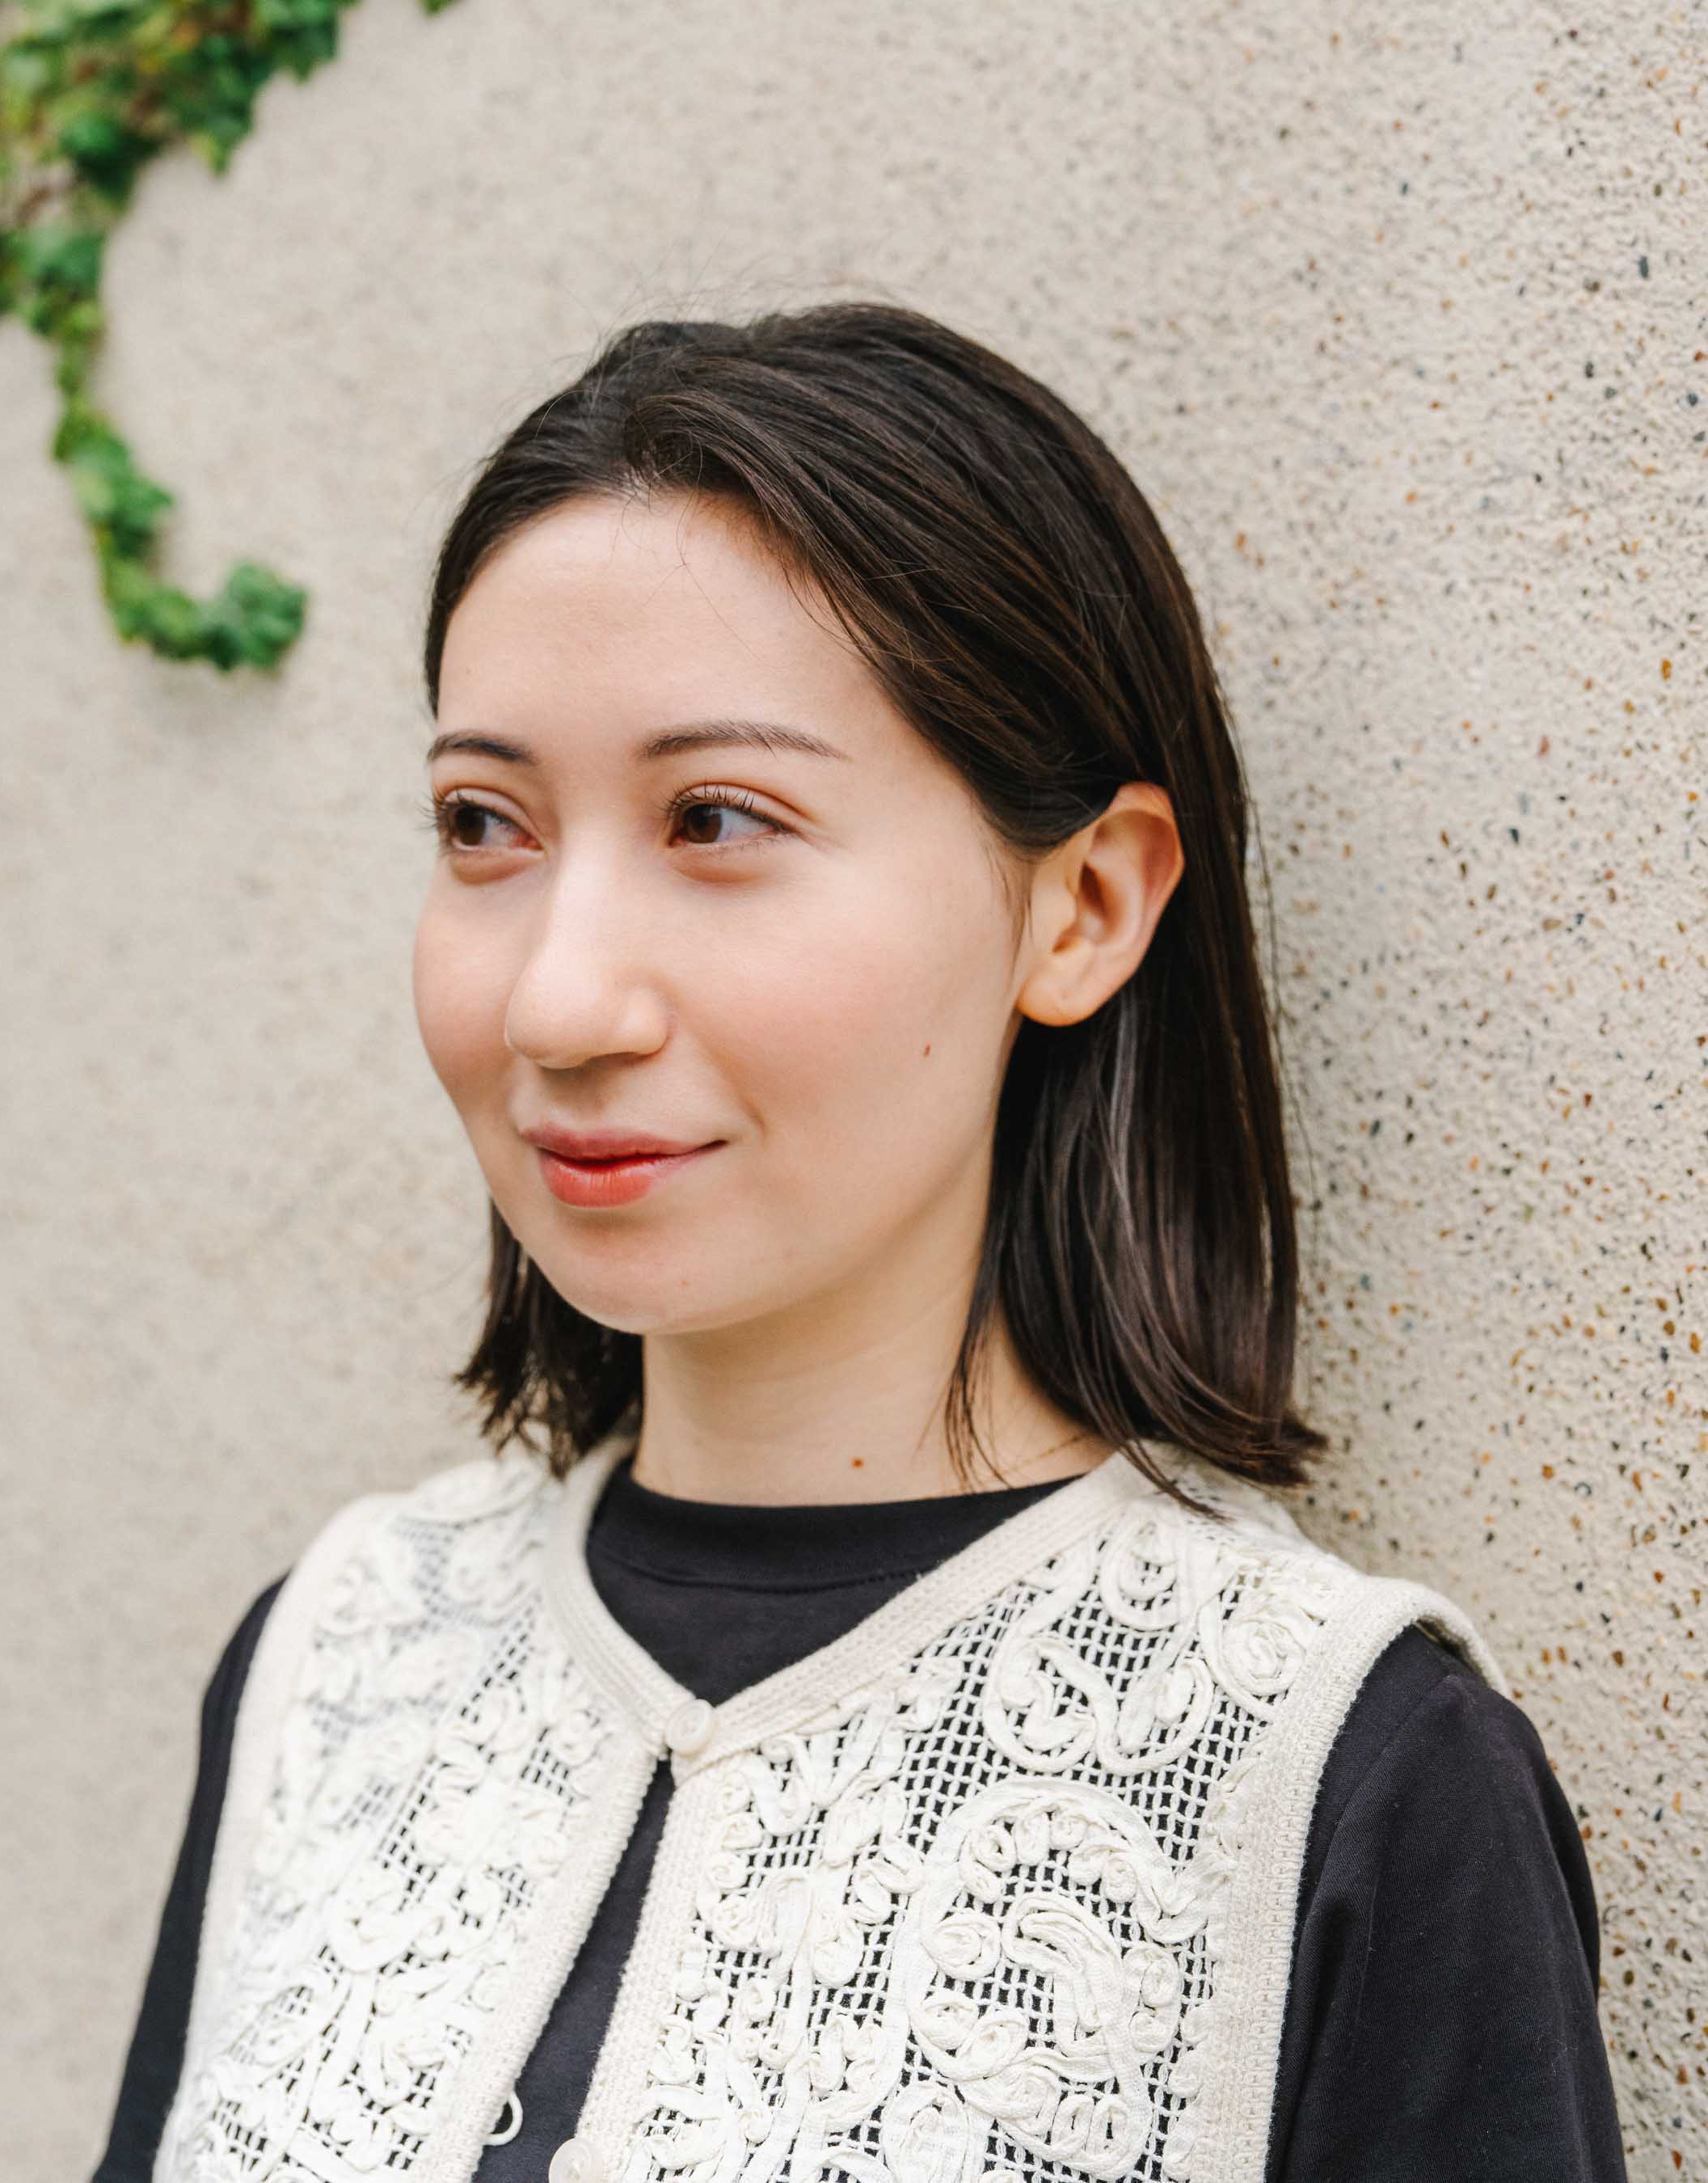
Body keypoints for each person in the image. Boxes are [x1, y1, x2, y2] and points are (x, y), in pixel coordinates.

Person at [90, 302, 1628, 2183]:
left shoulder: (1349, 1772)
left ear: (1084, 905)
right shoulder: (338, 1658)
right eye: (483, 823)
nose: (557, 1000)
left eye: (718, 819)